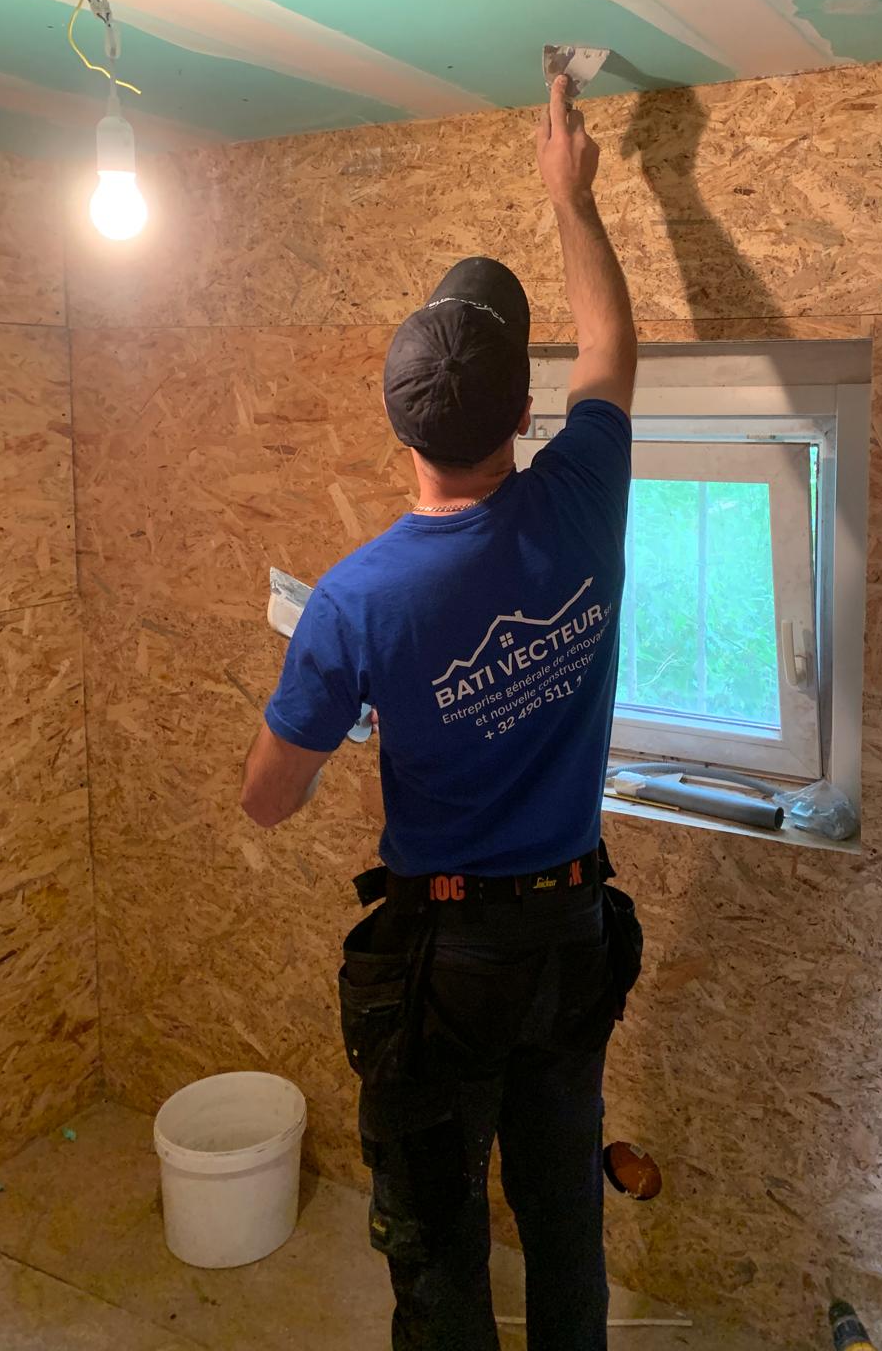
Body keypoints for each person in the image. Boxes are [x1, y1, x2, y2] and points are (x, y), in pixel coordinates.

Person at [240, 73, 639, 1351]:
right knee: (565, 1233)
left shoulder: (354, 603)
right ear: (523, 415)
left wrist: (354, 718)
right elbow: (611, 346)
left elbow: (267, 797)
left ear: (397, 426)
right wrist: (571, 196)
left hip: (446, 962)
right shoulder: (584, 495)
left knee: (439, 1253)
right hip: (570, 932)